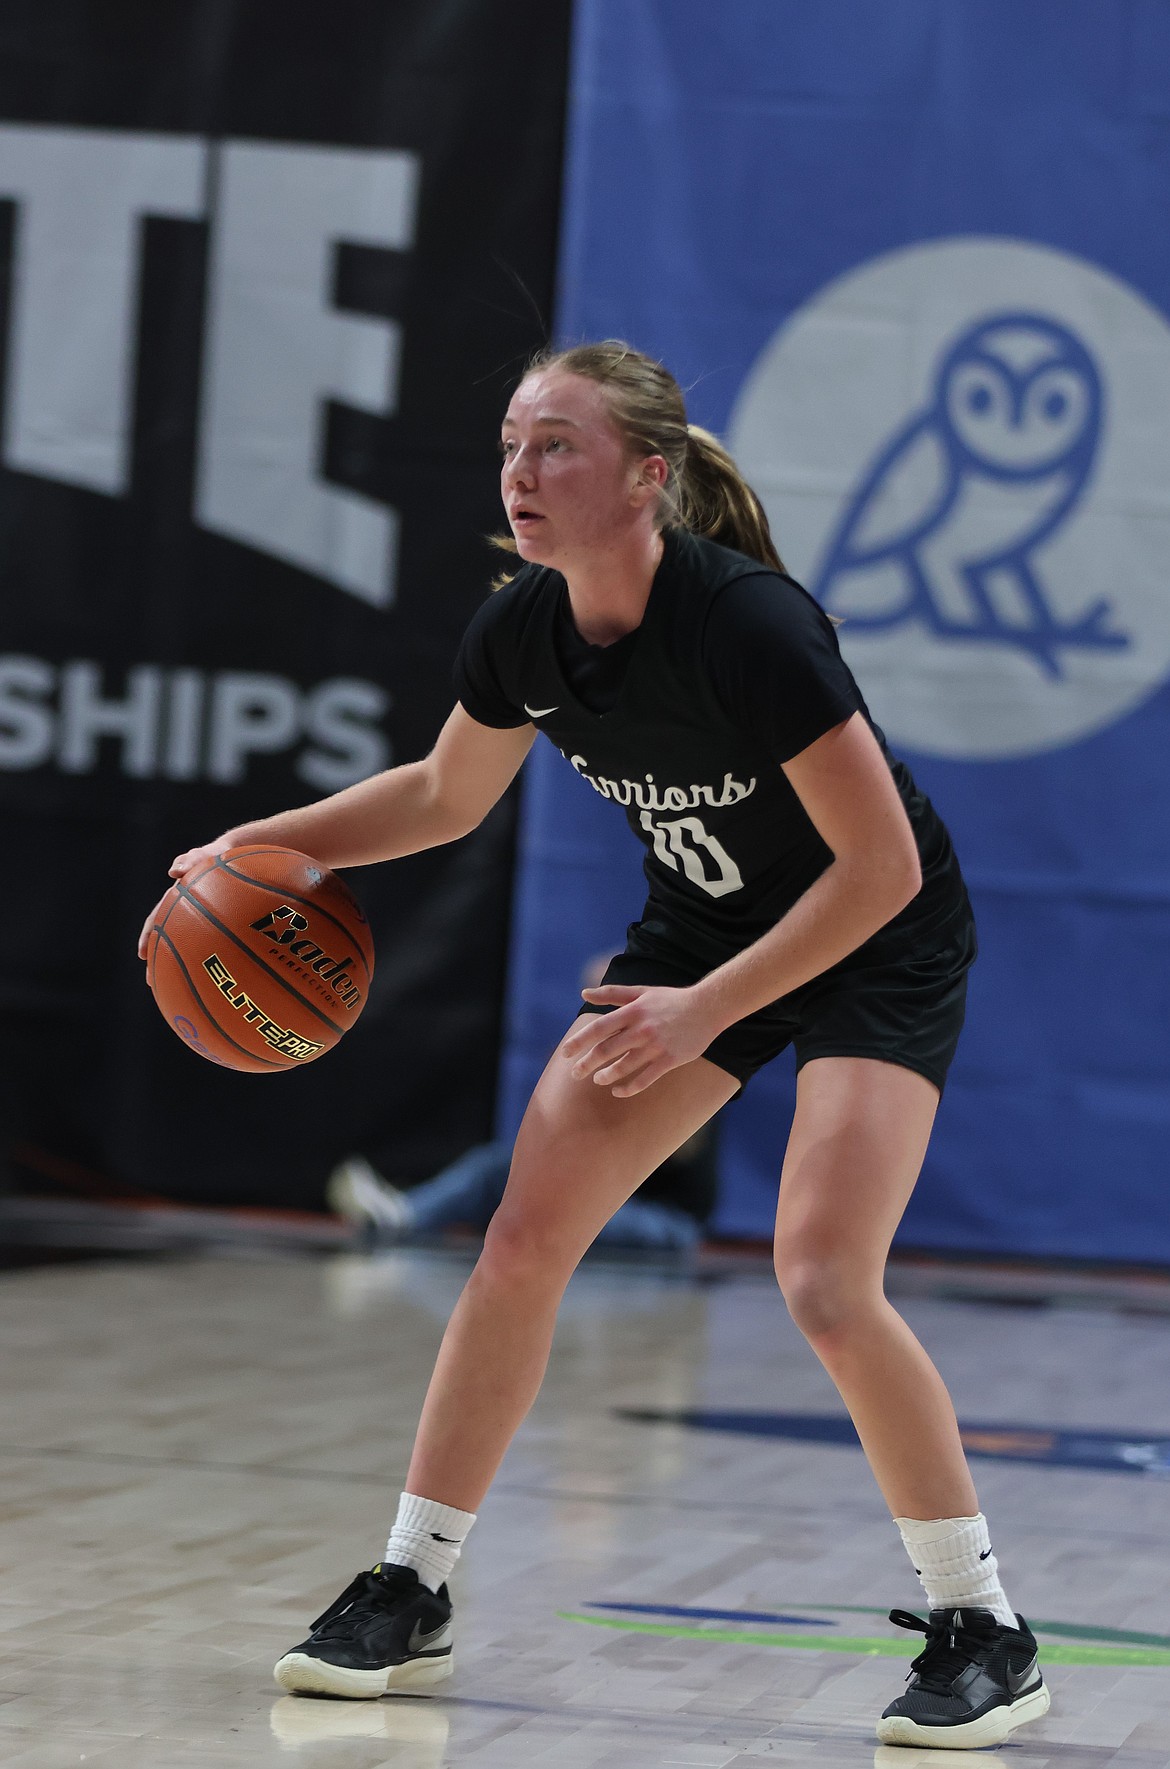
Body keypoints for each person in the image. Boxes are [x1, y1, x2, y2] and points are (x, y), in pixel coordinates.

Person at [139, 341, 1049, 1750]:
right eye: (510, 443)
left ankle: (982, 1624)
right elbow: (444, 795)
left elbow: (875, 869)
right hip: (699, 940)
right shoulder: (520, 633)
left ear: (647, 476)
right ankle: (411, 1581)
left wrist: (704, 1012)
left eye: (555, 444)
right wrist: (262, 847)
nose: (520, 472)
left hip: (877, 941)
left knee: (819, 1277)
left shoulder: (748, 624)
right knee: (519, 1242)